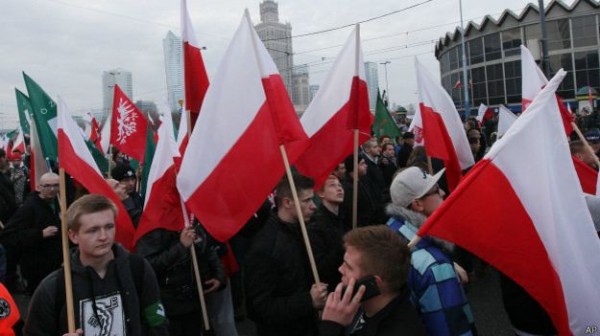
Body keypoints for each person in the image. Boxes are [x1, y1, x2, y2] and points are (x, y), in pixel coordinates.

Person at [23, 194, 168, 336]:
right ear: (73, 236)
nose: (104, 236)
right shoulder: (54, 287)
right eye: (93, 230)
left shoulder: (138, 269)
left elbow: (157, 322)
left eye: (109, 227)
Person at [386, 167, 476, 335]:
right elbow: (450, 327)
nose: (442, 192)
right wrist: (443, 265)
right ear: (418, 204)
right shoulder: (434, 266)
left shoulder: (391, 230)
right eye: (435, 190)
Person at [244, 174, 328, 336]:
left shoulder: (304, 229)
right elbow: (259, 308)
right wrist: (307, 301)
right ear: (287, 202)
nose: (314, 206)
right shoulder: (265, 245)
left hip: (307, 325)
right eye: (306, 201)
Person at [320, 226, 426, 336]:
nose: (340, 269)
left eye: (348, 266)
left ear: (373, 282)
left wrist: (331, 327)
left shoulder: (399, 330)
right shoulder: (361, 305)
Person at [136, 219, 227, 336]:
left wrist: (219, 274)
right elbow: (148, 266)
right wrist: (181, 247)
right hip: (169, 304)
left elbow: (207, 247)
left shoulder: (192, 218)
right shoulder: (152, 226)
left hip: (195, 299)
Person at [2, 172, 62, 295]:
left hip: (56, 264)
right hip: (36, 268)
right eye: (47, 186)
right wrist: (40, 234)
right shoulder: (29, 208)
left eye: (56, 185)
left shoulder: (60, 202)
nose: (52, 189)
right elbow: (9, 235)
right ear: (39, 187)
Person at [308, 175, 346, 292]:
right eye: (332, 185)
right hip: (331, 289)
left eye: (339, 185)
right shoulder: (316, 225)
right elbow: (321, 268)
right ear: (321, 193)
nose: (339, 188)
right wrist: (343, 245)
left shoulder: (342, 217)